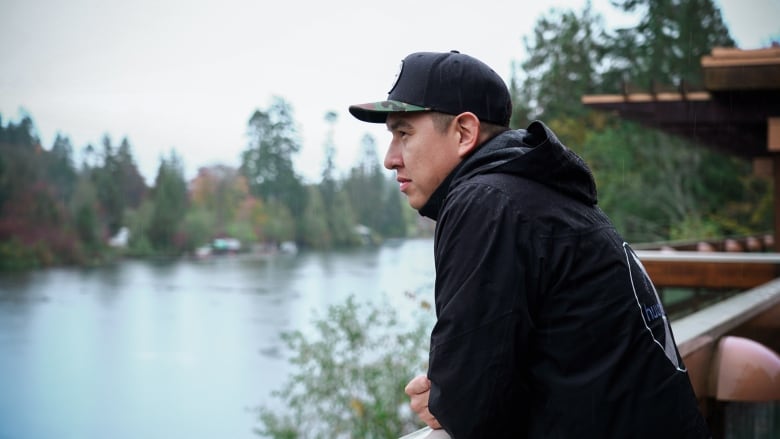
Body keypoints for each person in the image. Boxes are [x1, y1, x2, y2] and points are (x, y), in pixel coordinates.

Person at [348, 50, 710, 438]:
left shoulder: (487, 203)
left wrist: (445, 397)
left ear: (464, 133)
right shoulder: (537, 192)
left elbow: (467, 405)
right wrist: (455, 391)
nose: (390, 159)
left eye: (404, 133)